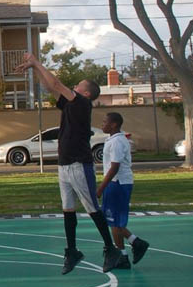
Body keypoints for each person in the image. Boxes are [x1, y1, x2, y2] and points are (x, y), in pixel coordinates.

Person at [15, 52, 123, 274]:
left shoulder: (82, 103)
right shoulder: (70, 105)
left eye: (78, 85)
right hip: (65, 165)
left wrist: (37, 62)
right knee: (68, 210)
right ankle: (72, 250)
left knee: (92, 207)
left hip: (78, 164)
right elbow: (51, 87)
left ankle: (111, 249)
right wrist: (35, 69)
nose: (73, 86)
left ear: (85, 92)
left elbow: (56, 83)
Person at [97, 112, 150, 269]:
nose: (102, 124)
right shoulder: (112, 140)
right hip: (114, 183)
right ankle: (134, 244)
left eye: (105, 121)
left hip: (118, 183)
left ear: (114, 124)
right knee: (113, 221)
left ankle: (123, 255)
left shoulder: (118, 142)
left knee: (115, 222)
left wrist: (100, 188)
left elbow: (115, 167)